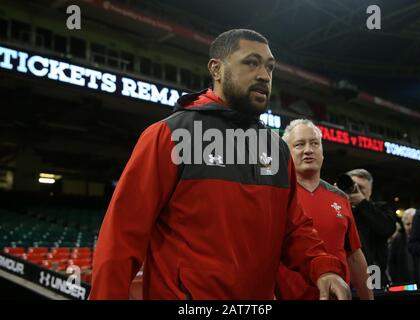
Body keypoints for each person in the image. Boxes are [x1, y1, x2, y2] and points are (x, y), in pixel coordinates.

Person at [89, 29, 350, 299]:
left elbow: (294, 229)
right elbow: (121, 237)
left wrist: (323, 269)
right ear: (216, 69)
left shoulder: (277, 149)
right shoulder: (167, 136)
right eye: (251, 62)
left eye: (269, 67)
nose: (264, 75)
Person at [275, 119, 373, 300]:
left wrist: (368, 297)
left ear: (322, 152)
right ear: (286, 153)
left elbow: (354, 255)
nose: (308, 150)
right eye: (299, 144)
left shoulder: (341, 198)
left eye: (314, 143)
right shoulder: (275, 196)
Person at [346, 169, 397, 288]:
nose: (355, 190)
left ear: (370, 190)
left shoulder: (381, 208)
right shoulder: (339, 210)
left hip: (374, 275)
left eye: (360, 187)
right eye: (352, 186)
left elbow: (387, 228)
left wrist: (362, 204)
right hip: (345, 276)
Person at [387, 208, 417, 285]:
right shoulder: (397, 240)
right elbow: (392, 262)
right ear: (403, 225)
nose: (411, 227)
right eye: (408, 224)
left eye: (414, 223)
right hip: (403, 282)